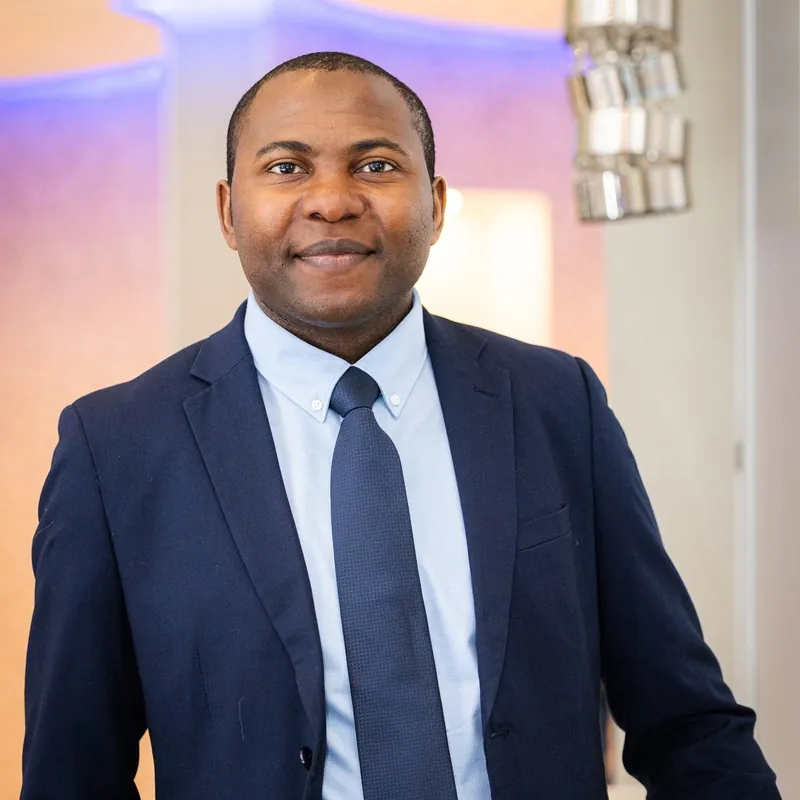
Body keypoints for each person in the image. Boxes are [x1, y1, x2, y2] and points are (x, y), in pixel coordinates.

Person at [21, 51, 779, 800]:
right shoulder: (115, 448)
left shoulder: (557, 403)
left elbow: (687, 723)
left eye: (376, 165)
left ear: (436, 204)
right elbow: (72, 772)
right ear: (227, 211)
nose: (332, 201)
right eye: (287, 167)